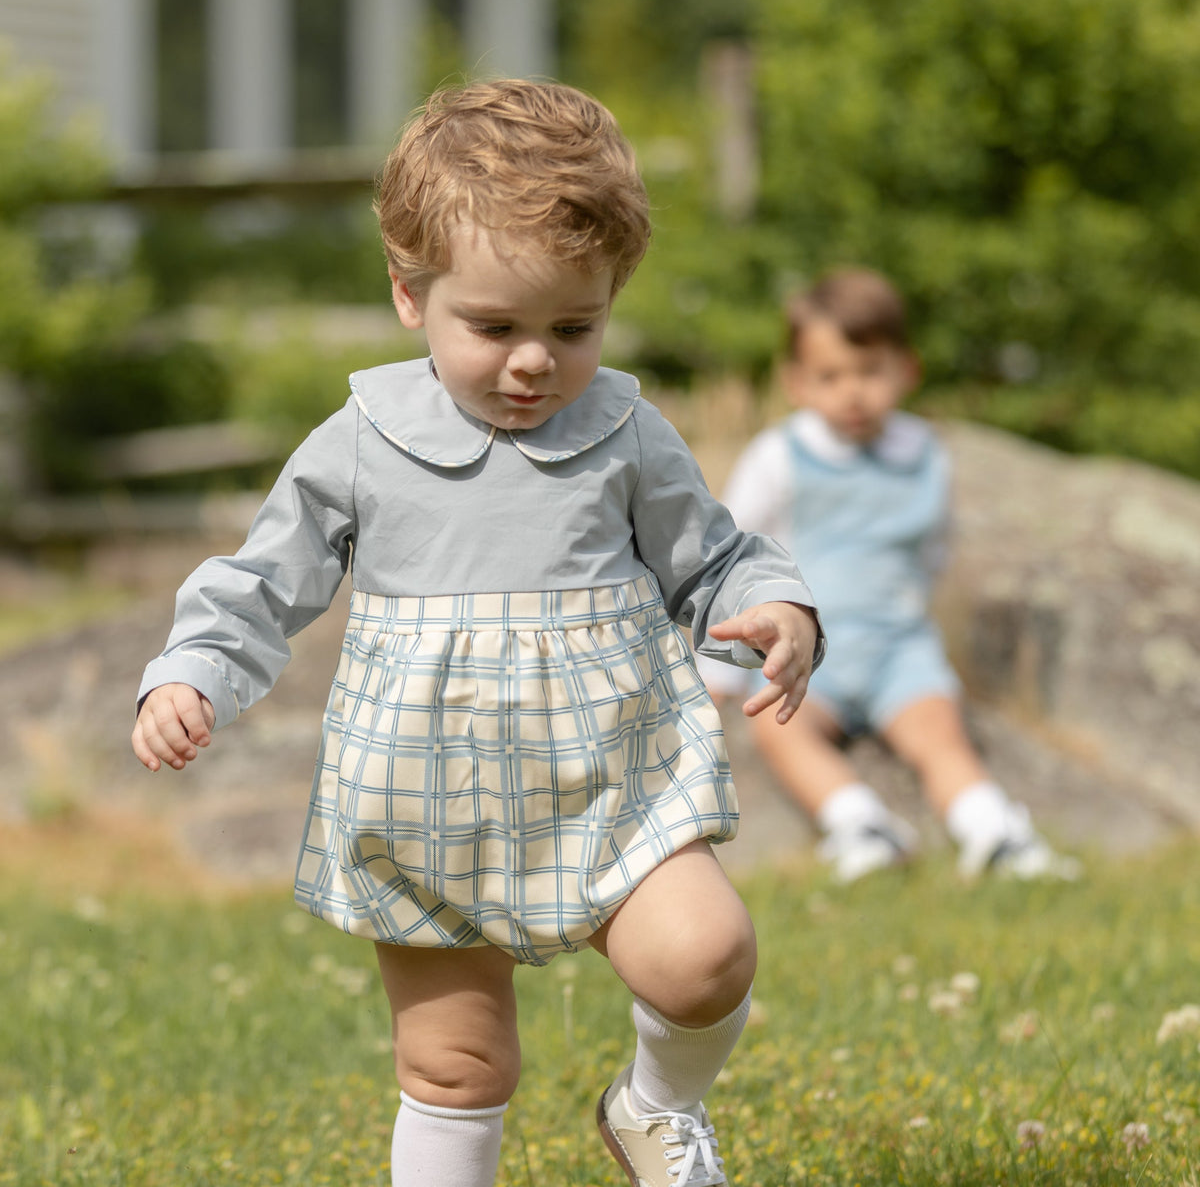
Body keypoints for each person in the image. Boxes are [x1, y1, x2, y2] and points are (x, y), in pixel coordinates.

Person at [132, 80, 823, 1187]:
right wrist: (194, 674)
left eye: (573, 327)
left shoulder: (626, 435)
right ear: (411, 295)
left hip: (610, 784)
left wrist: (777, 608)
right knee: (457, 1062)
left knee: (705, 957)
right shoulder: (361, 441)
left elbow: (714, 556)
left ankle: (653, 1110)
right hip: (422, 801)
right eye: (493, 326)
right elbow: (264, 583)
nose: (534, 362)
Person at [700, 268, 1080, 885]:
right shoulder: (781, 455)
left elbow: (934, 547)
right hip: (808, 656)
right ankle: (861, 824)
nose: (852, 393)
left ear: (908, 370)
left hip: (901, 648)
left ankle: (995, 835)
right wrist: (718, 670)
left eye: (870, 372)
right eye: (830, 376)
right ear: (796, 382)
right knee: (780, 730)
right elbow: (729, 553)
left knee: (940, 739)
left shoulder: (925, 454)